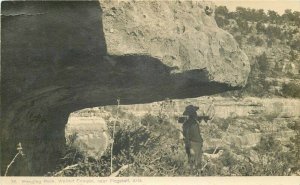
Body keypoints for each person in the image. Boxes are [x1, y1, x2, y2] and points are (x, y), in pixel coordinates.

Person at [181, 105, 203, 170]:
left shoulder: (193, 122)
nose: (196, 114)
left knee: (197, 164)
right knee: (193, 164)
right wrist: (190, 148)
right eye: (195, 113)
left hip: (197, 144)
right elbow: (187, 137)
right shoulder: (188, 123)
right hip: (193, 144)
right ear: (192, 114)